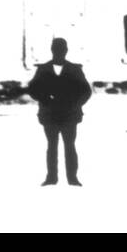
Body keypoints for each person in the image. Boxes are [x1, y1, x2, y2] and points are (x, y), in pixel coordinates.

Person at [27, 36, 91, 186]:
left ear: (66, 51)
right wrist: (45, 99)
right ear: (52, 50)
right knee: (52, 146)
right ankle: (51, 178)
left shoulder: (75, 69)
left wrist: (75, 104)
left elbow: (86, 91)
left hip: (69, 115)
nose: (59, 52)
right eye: (56, 49)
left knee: (70, 146)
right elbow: (32, 89)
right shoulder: (43, 69)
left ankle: (72, 178)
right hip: (49, 115)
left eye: (61, 49)